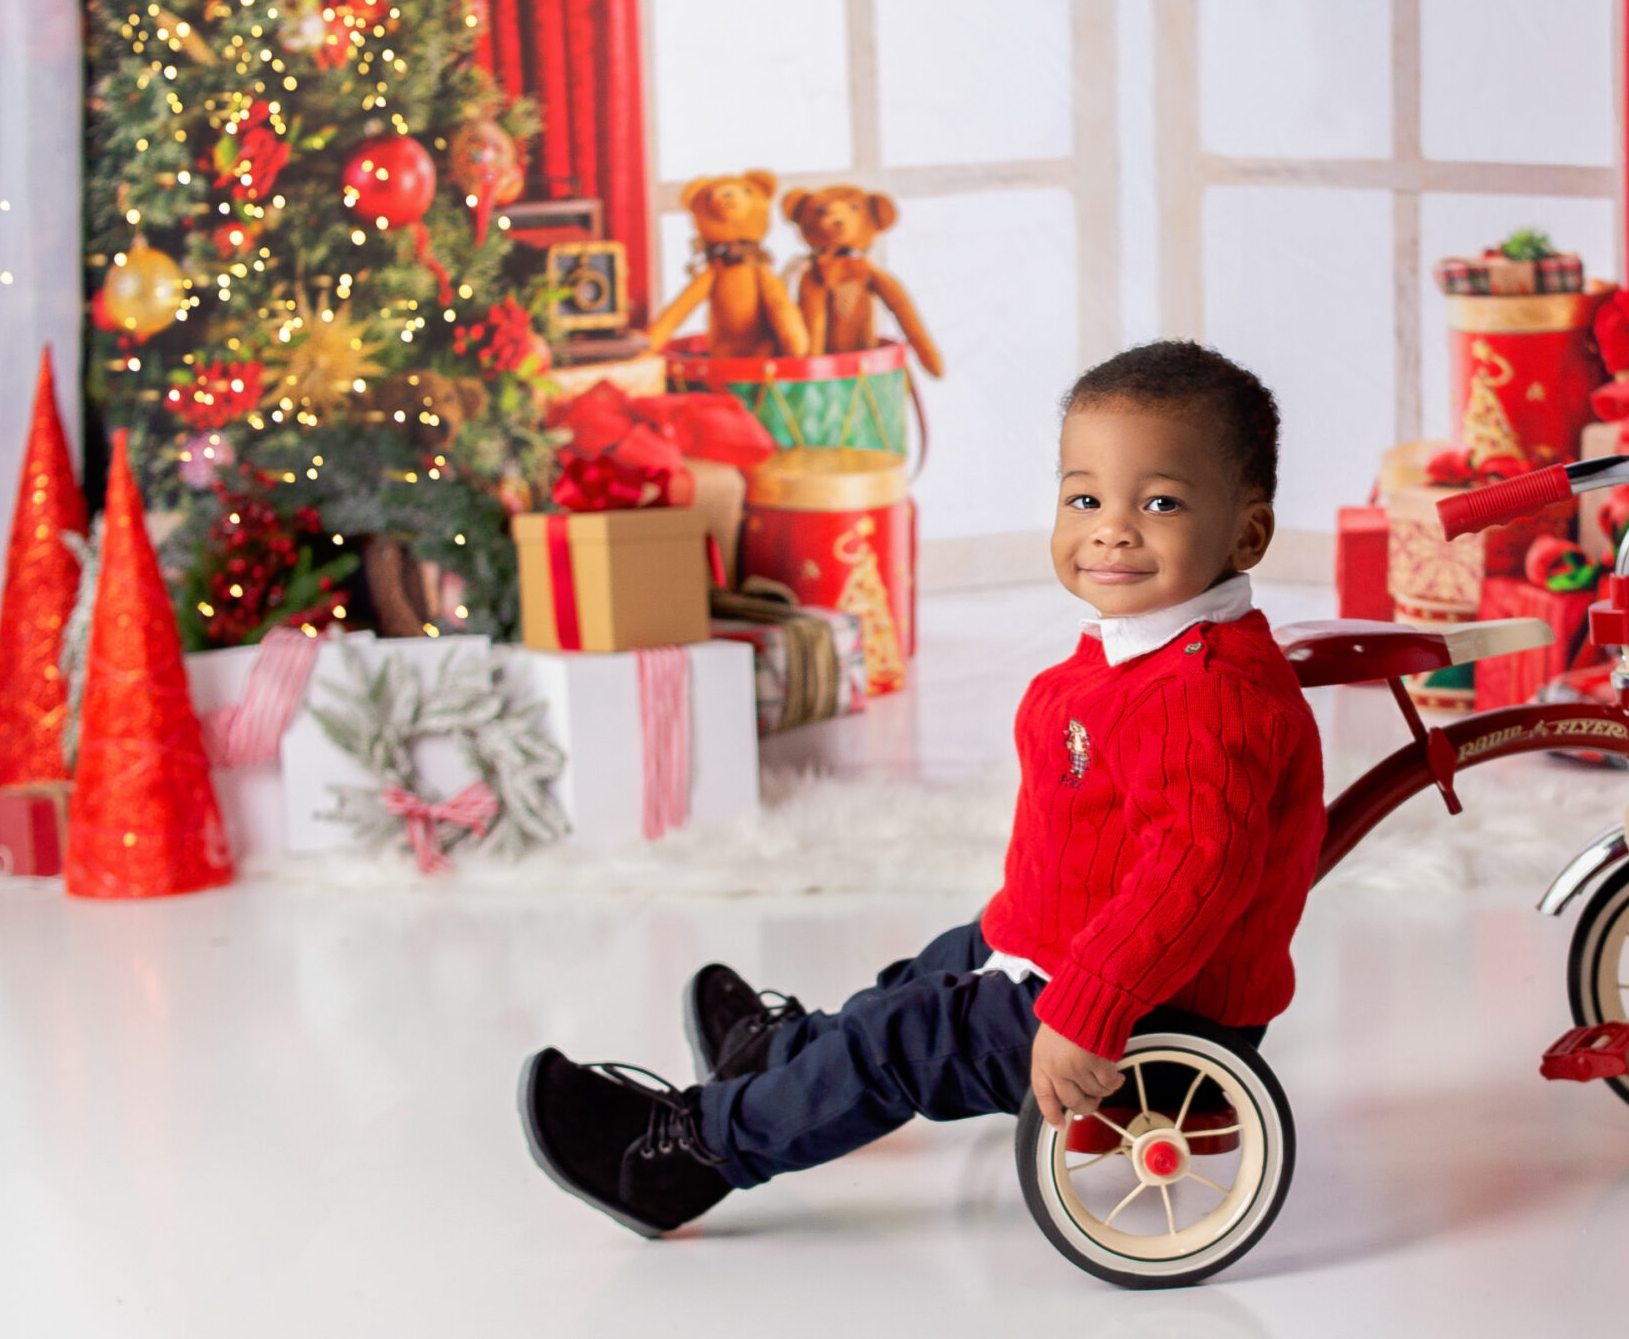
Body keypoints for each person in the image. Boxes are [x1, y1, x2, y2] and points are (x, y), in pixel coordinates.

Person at [517, 341, 1328, 1238]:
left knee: (903, 1041)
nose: (1112, 528)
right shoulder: (1142, 650)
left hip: (1146, 1018)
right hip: (1059, 938)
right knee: (921, 976)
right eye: (1085, 498)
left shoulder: (1208, 693)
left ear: (1245, 533)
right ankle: (783, 1058)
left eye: (1161, 502)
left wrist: (1089, 1007)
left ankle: (690, 1154)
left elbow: (1195, 871)